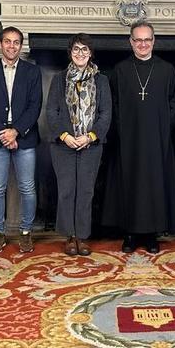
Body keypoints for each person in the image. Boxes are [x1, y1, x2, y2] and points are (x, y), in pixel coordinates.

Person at [102, 22, 175, 253]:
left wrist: (163, 129)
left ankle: (152, 234)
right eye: (138, 40)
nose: (143, 44)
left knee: (154, 184)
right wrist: (121, 130)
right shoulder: (120, 70)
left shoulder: (167, 70)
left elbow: (174, 104)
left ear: (154, 41)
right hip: (128, 140)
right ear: (131, 42)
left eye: (147, 40)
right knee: (129, 183)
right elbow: (112, 104)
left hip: (157, 139)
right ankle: (130, 234)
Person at [0, 26, 43, 253]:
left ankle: (26, 232)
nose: (12, 46)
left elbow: (35, 106)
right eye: (8, 41)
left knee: (27, 187)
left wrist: (16, 131)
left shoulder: (32, 71)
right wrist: (4, 133)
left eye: (16, 42)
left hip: (24, 137)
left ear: (21, 45)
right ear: (0, 44)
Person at [45, 34, 112, 256]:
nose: (80, 53)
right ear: (70, 52)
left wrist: (90, 136)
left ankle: (82, 237)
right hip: (63, 144)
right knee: (66, 190)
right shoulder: (59, 79)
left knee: (85, 191)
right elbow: (51, 112)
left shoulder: (101, 80)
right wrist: (65, 135)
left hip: (91, 145)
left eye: (85, 49)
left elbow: (106, 114)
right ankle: (69, 236)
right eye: (76, 49)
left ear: (90, 53)